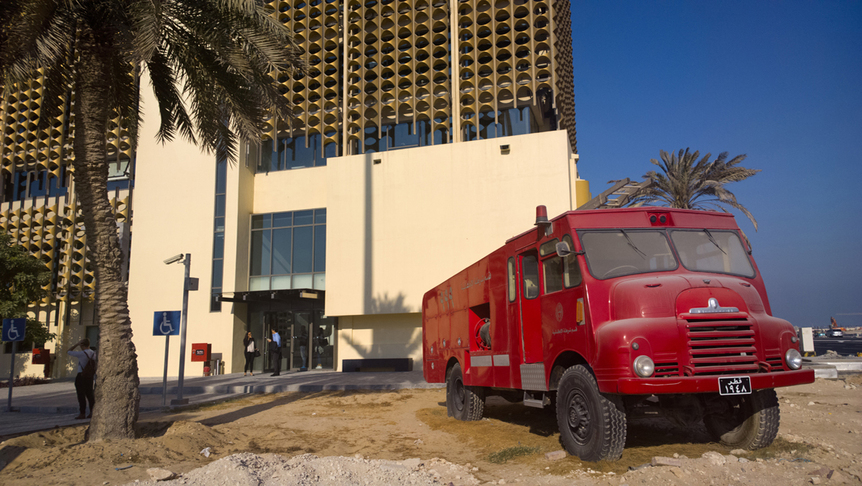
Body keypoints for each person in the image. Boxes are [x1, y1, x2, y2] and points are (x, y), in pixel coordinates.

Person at [67, 338, 96, 420]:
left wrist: (76, 344)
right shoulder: (93, 353)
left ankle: (82, 413)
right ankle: (92, 412)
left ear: (82, 345)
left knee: (81, 395)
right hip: (90, 376)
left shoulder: (81, 353)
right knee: (90, 394)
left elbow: (69, 351)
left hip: (81, 375)